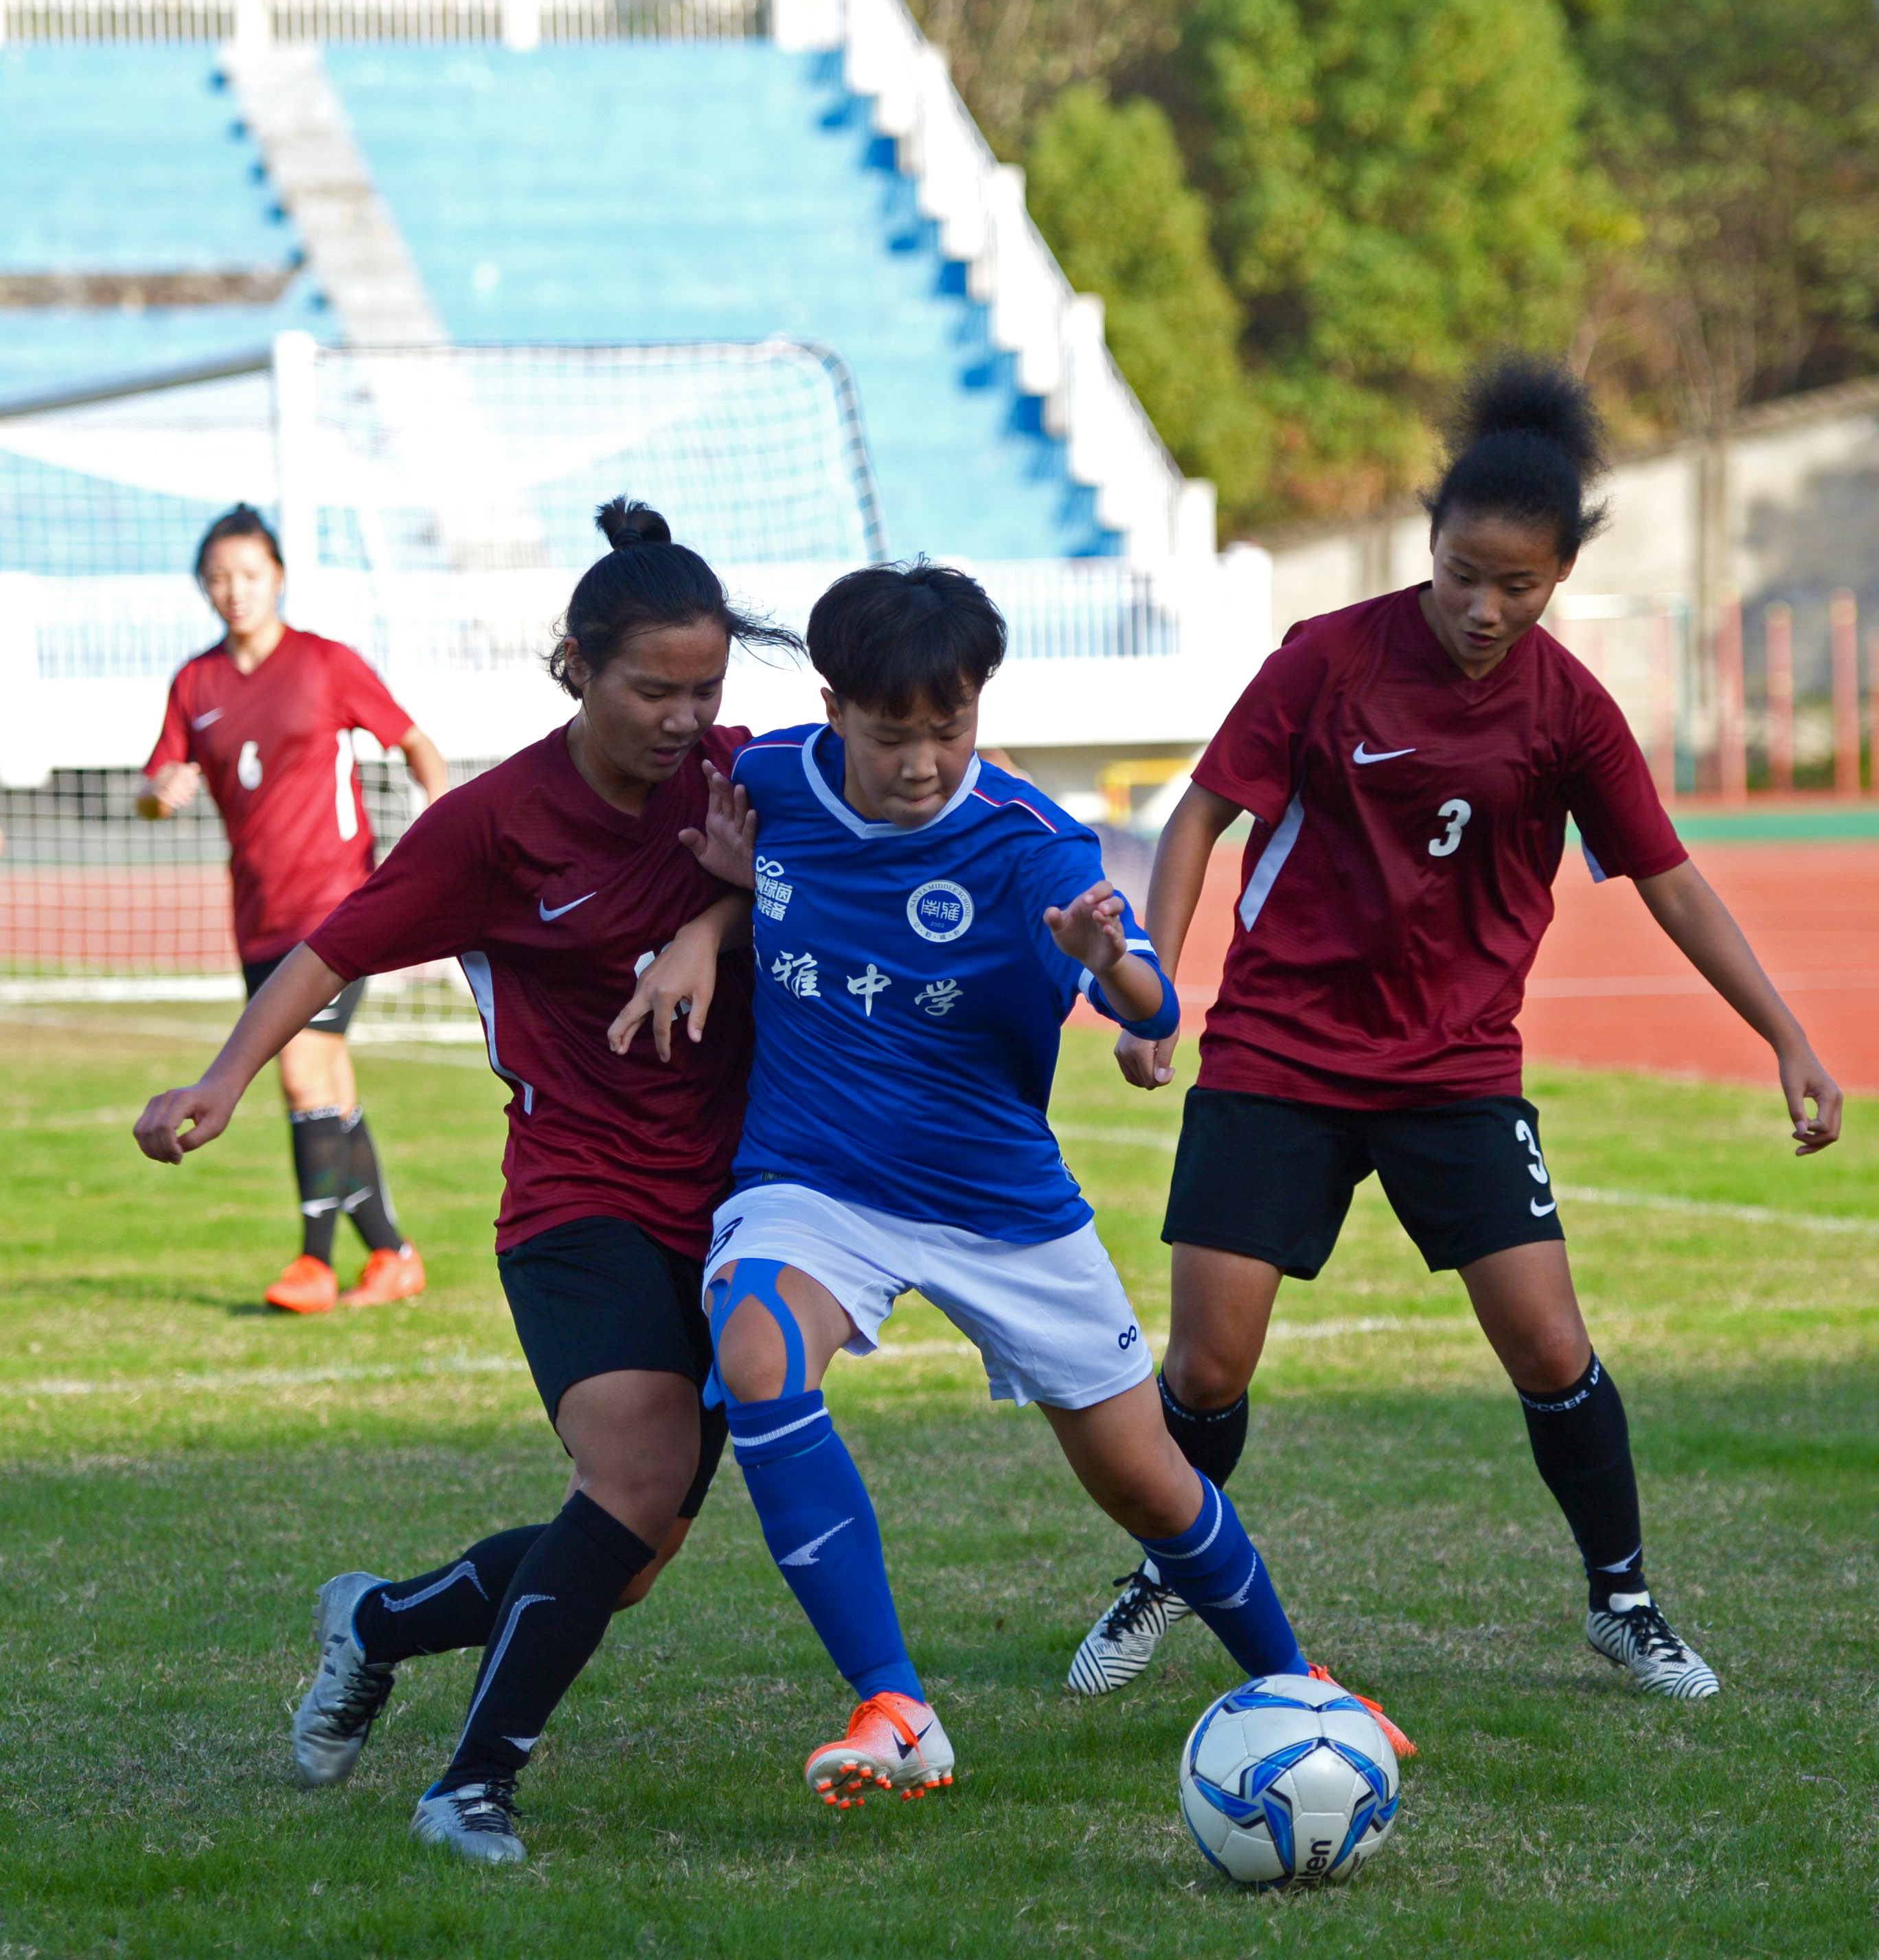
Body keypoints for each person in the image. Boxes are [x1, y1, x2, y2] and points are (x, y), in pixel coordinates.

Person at [1063, 356, 1843, 1707]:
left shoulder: (1568, 708)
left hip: (1456, 1068)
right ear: (1428, 540)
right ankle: (1161, 1571)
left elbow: (1668, 877)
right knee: (1206, 1360)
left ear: (1558, 576)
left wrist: (1786, 1032)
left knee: (1550, 1345)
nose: (1483, 607)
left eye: (1518, 584)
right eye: (1461, 572)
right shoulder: (1326, 659)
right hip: (1279, 1052)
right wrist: (1153, 981)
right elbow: (1199, 815)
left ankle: (1625, 1600)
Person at [608, 560, 1412, 1812]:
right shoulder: (770, 779)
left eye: (951, 727)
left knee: (1144, 1479)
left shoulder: (1031, 842)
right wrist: (714, 914)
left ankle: (1298, 1685)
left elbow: (1150, 998)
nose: (924, 759)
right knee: (757, 1345)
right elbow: (735, 864)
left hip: (998, 1205)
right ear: (833, 708)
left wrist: (1116, 969)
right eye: (892, 733)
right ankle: (894, 1706)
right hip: (813, 1183)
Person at [132, 500, 793, 1865]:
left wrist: (719, 910)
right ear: (577, 668)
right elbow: (327, 950)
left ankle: (375, 1623)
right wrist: (223, 1079)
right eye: (654, 688)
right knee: (637, 1472)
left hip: (731, 1205)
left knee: (631, 1554)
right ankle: (469, 1788)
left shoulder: (741, 781)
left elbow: (864, 837)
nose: (685, 716)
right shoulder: (493, 824)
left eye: (707, 687)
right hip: (578, 1195)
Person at [137, 504, 448, 1313]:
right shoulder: (194, 682)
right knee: (328, 1083)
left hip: (342, 907)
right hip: (259, 919)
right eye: (218, 578)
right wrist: (155, 796)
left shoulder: (326, 664)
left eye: (248, 573)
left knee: (301, 1067)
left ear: (278, 577)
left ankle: (313, 1263)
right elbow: (154, 783)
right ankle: (391, 1253)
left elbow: (416, 744)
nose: (233, 590)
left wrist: (442, 822)